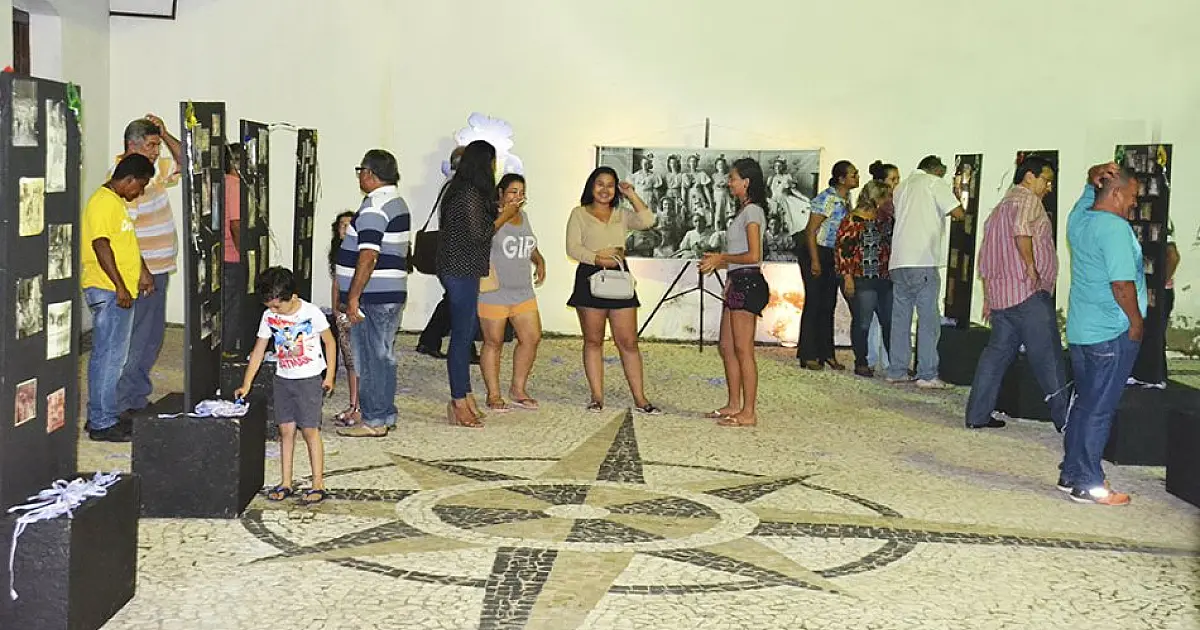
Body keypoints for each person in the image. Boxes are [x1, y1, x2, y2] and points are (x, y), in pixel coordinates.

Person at [964, 159, 1101, 430]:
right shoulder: (1027, 200)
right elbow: (1022, 232)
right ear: (1029, 177)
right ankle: (1066, 421)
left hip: (1003, 296)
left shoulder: (1000, 208)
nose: (1048, 187)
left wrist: (990, 298)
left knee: (996, 355)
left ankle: (977, 415)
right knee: (1048, 357)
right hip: (1027, 293)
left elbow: (986, 255)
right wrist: (1031, 266)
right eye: (1046, 180)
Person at [1059, 166, 1144, 506]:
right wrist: (1136, 322)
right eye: (1133, 197)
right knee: (1100, 410)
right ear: (1116, 194)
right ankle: (1089, 483)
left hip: (1082, 332)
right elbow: (1121, 284)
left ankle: (1071, 472)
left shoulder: (1080, 220)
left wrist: (1088, 177)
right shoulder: (1115, 229)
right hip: (1111, 334)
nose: (1134, 205)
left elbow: (1086, 197)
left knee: (1084, 405)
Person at [235, 267, 336, 505]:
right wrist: (246, 383)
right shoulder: (269, 316)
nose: (273, 311)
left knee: (310, 430)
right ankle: (286, 481)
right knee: (286, 431)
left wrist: (329, 376)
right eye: (269, 306)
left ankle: (318, 483)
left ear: (293, 296)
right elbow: (259, 349)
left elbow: (329, 342)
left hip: (309, 379)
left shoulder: (311, 313)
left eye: (277, 306)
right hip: (283, 379)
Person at [566, 167, 662, 414]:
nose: (605, 190)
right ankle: (597, 397)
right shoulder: (579, 214)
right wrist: (598, 259)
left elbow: (648, 221)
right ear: (591, 186)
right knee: (593, 340)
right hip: (590, 277)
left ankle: (641, 399)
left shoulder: (621, 214)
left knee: (628, 341)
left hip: (619, 278)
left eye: (610, 185)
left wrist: (631, 194)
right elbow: (573, 249)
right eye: (600, 184)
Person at [437, 140, 518, 427]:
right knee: (461, 337)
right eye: (492, 162)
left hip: (462, 268)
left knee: (467, 332)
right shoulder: (468, 192)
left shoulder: (460, 189)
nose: (495, 167)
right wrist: (505, 216)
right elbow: (479, 234)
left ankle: (466, 396)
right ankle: (459, 401)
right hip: (460, 269)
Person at [334, 149, 410, 438]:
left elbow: (368, 256)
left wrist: (353, 296)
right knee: (383, 354)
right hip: (388, 292)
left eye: (360, 171)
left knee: (371, 356)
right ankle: (385, 412)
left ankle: (375, 419)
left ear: (368, 173)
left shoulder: (376, 206)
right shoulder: (396, 201)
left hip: (373, 295)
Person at [82, 154, 155, 442]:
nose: (141, 191)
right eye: (141, 185)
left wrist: (143, 272)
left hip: (119, 289)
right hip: (108, 290)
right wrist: (120, 286)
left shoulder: (116, 203)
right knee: (108, 358)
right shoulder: (102, 202)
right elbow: (100, 245)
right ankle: (101, 423)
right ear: (128, 180)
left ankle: (103, 415)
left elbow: (124, 244)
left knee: (115, 358)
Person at [115, 115, 182, 424]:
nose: (157, 151)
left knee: (152, 336)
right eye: (152, 145)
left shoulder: (151, 174)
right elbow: (124, 235)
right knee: (140, 337)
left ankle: (136, 394)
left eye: (157, 145)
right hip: (144, 274)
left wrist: (166, 134)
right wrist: (141, 273)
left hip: (159, 268)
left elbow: (190, 162)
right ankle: (125, 401)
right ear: (132, 145)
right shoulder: (127, 182)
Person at [700, 157, 770, 427]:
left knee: (743, 349)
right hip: (737, 281)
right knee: (727, 346)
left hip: (748, 282)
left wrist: (721, 258)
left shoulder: (753, 212)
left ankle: (749, 411)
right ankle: (732, 404)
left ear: (746, 182)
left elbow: (754, 254)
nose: (729, 183)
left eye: (733, 178)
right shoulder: (743, 211)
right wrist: (722, 264)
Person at [887, 155, 965, 387]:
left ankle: (897, 370)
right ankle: (927, 374)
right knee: (928, 319)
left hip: (899, 260)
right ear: (936, 170)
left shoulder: (901, 187)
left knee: (900, 319)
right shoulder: (933, 182)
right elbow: (959, 213)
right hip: (922, 259)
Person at [479, 174, 546, 412]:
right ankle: (493, 393)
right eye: (512, 192)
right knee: (493, 341)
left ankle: (518, 388)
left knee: (531, 337)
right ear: (500, 193)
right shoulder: (490, 216)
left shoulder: (523, 217)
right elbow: (480, 239)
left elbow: (529, 244)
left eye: (521, 192)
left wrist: (539, 260)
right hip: (494, 290)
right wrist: (503, 215)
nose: (517, 197)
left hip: (522, 290)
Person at [416, 146, 479, 363]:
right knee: (459, 301)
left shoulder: (451, 185)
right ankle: (459, 347)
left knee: (453, 299)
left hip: (449, 250)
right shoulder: (458, 187)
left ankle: (430, 339)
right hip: (456, 251)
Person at [797, 160, 859, 371]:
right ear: (841, 178)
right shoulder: (827, 198)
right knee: (814, 302)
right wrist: (814, 260)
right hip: (816, 250)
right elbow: (810, 231)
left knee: (828, 303)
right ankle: (808, 354)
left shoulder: (845, 198)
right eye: (853, 174)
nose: (856, 177)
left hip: (832, 253)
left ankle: (827, 352)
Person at [836, 180, 894, 378]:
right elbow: (844, 251)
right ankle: (861, 361)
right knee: (863, 323)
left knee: (889, 322)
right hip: (862, 278)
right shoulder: (853, 220)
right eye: (885, 196)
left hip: (884, 277)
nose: (889, 200)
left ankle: (895, 363)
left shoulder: (885, 219)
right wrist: (847, 278)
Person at [866, 161, 900, 372]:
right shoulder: (875, 209)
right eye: (893, 179)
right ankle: (871, 358)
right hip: (872, 268)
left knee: (888, 317)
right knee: (870, 318)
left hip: (888, 267)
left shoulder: (895, 205)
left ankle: (888, 359)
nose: (897, 183)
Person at [327, 211, 360, 426]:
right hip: (342, 312)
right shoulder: (338, 255)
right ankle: (353, 403)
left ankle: (359, 406)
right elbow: (337, 284)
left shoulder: (363, 253)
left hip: (357, 311)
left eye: (350, 224)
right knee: (350, 362)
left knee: (359, 361)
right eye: (342, 225)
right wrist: (335, 310)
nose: (346, 229)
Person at [222, 143, 244, 358]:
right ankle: (227, 351)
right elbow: (236, 224)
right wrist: (244, 255)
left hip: (221, 255)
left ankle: (221, 349)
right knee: (232, 307)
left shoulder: (221, 183)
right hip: (233, 255)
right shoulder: (236, 185)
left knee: (223, 305)